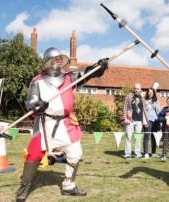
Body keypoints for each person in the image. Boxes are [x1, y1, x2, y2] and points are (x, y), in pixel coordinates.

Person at [15, 47, 108, 201]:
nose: (59, 61)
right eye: (55, 58)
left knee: (76, 152)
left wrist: (99, 67)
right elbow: (30, 101)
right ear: (47, 62)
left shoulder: (69, 78)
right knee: (34, 154)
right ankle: (24, 186)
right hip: (45, 122)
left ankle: (69, 186)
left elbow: (87, 74)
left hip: (66, 122)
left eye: (60, 58)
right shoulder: (37, 80)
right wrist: (37, 105)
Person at [122, 83, 148, 159]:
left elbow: (145, 110)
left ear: (140, 89)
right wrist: (125, 118)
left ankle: (137, 153)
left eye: (138, 89)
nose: (136, 90)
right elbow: (125, 107)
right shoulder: (129, 96)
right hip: (130, 120)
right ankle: (127, 154)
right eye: (135, 88)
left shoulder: (142, 98)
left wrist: (146, 121)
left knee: (138, 138)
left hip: (139, 121)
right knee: (128, 138)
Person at [142, 88, 160, 158]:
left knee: (154, 136)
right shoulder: (145, 101)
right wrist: (145, 121)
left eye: (151, 92)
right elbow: (143, 112)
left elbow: (158, 111)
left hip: (155, 120)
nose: (150, 93)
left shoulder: (156, 101)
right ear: (147, 93)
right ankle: (146, 153)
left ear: (154, 93)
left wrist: (159, 120)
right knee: (146, 136)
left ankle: (153, 152)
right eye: (149, 92)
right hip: (148, 120)